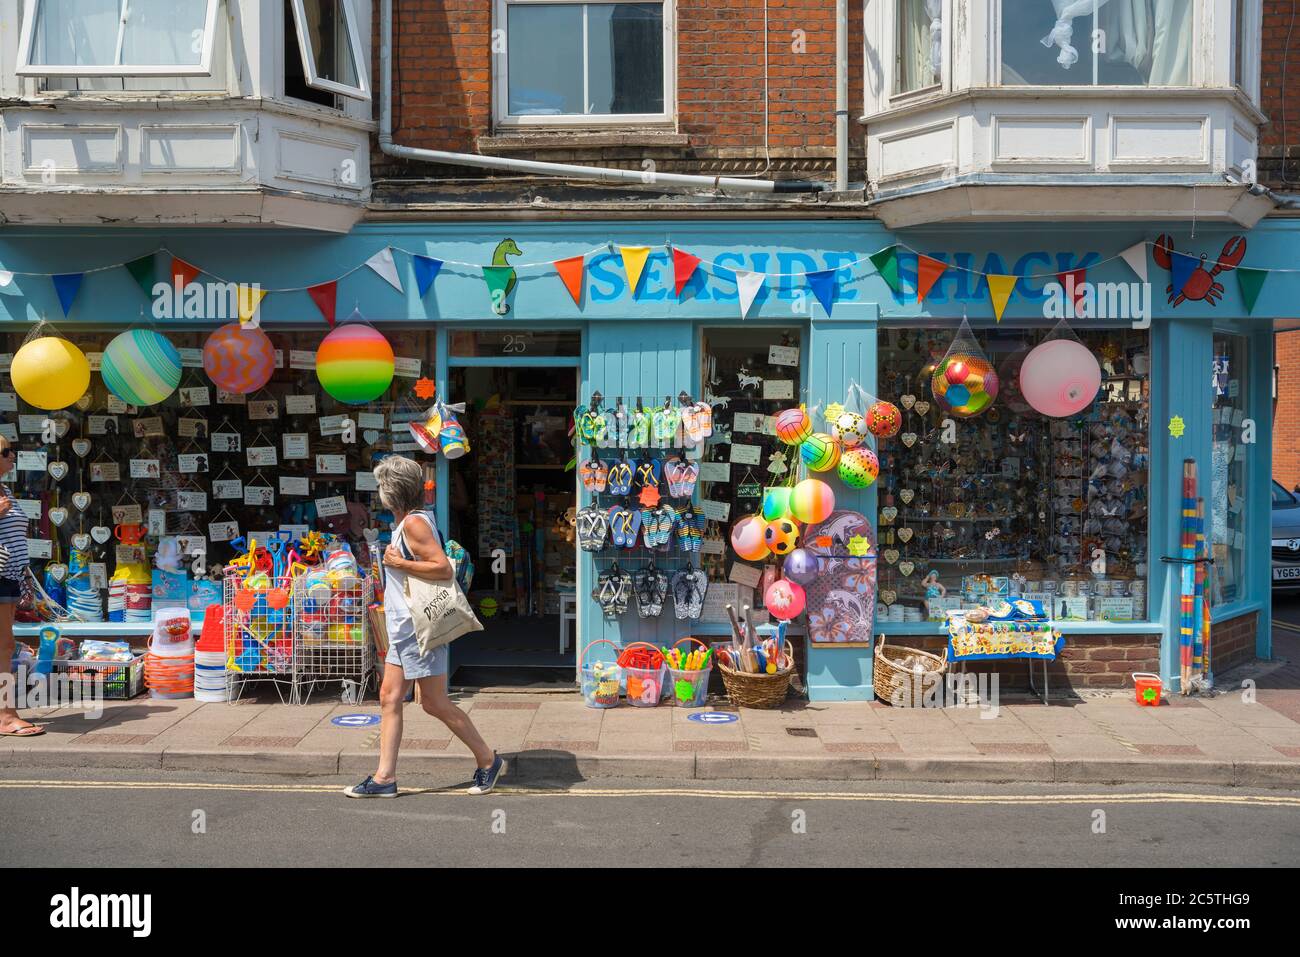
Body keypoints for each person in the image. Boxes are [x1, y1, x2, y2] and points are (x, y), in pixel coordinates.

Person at [345, 455, 503, 798]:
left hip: (419, 629)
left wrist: (398, 562)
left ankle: (488, 760)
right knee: (389, 696)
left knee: (432, 702)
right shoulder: (408, 522)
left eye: (382, 488)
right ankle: (385, 778)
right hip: (404, 629)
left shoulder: (415, 524)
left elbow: (443, 569)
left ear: (392, 493)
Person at [0, 436, 42, 737]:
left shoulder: (3, 489)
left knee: (4, 645)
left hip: (9, 576)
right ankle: (5, 715)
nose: (12, 456)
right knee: (2, 646)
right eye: (5, 451)